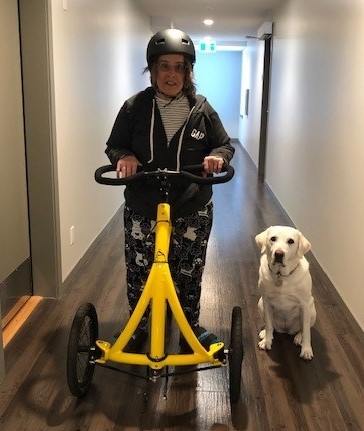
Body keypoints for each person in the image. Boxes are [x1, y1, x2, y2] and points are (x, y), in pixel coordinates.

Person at [105, 28, 235, 352]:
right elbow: (114, 145)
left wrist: (216, 158)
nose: (171, 74)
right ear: (152, 69)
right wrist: (125, 156)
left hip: (192, 205)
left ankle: (190, 325)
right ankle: (140, 325)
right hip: (143, 204)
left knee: (188, 272)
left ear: (188, 72)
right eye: (164, 66)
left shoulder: (202, 109)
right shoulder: (134, 107)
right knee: (139, 271)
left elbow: (223, 144)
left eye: (179, 67)